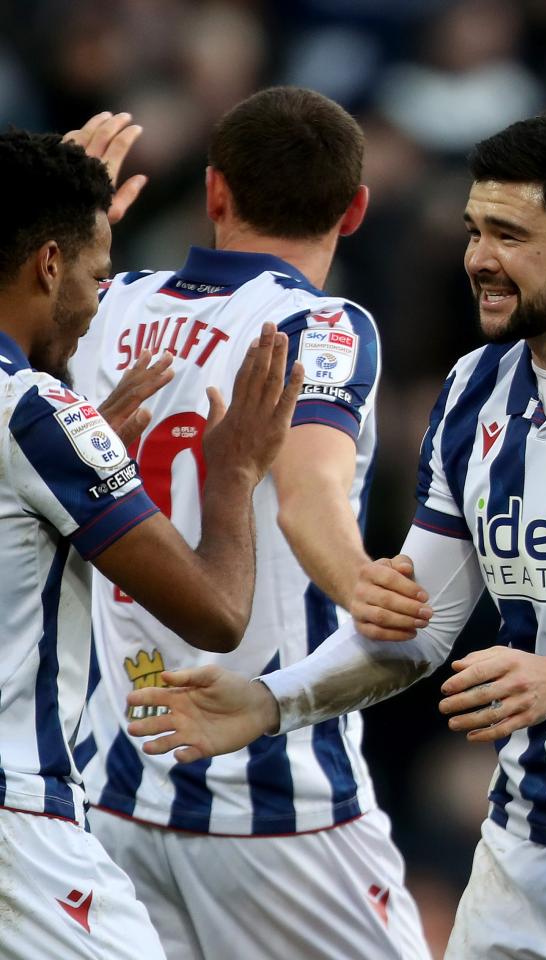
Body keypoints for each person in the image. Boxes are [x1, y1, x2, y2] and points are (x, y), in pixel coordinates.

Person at [127, 109, 546, 960]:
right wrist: (271, 701)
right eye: (475, 230)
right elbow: (421, 625)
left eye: (509, 234)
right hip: (520, 844)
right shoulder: (475, 390)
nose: (478, 258)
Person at [61, 92, 431, 960]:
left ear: (213, 194)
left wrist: (49, 219)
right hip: (281, 806)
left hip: (114, 793)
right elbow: (309, 493)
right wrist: (363, 588)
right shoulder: (322, 325)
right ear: (356, 208)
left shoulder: (104, 304)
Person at [0, 129, 300, 958]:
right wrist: (232, 472)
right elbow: (215, 614)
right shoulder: (35, 414)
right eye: (99, 275)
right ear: (49, 266)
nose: (102, 302)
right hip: (18, 822)